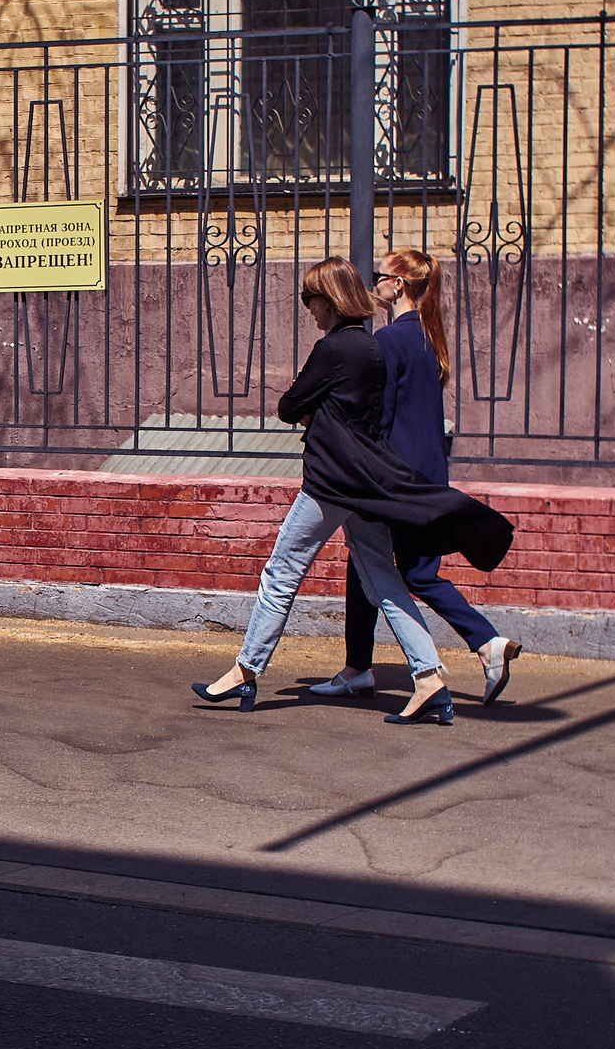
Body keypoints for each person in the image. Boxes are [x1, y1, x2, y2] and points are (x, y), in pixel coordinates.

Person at [190, 258, 514, 726]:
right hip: (363, 484)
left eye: (312, 299)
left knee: (281, 573)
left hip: (330, 482)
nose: (310, 309)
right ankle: (428, 678)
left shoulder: (334, 348)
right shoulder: (372, 348)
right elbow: (366, 416)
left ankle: (245, 670)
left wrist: (315, 413)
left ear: (331, 299)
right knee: (384, 581)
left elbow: (288, 405)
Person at [308, 249, 525, 705]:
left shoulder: (388, 342)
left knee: (409, 570)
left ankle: (486, 644)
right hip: (428, 471)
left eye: (378, 276)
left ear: (398, 286)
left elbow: (379, 415)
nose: (373, 284)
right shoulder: (430, 338)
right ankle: (359, 668)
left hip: (393, 476)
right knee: (371, 563)